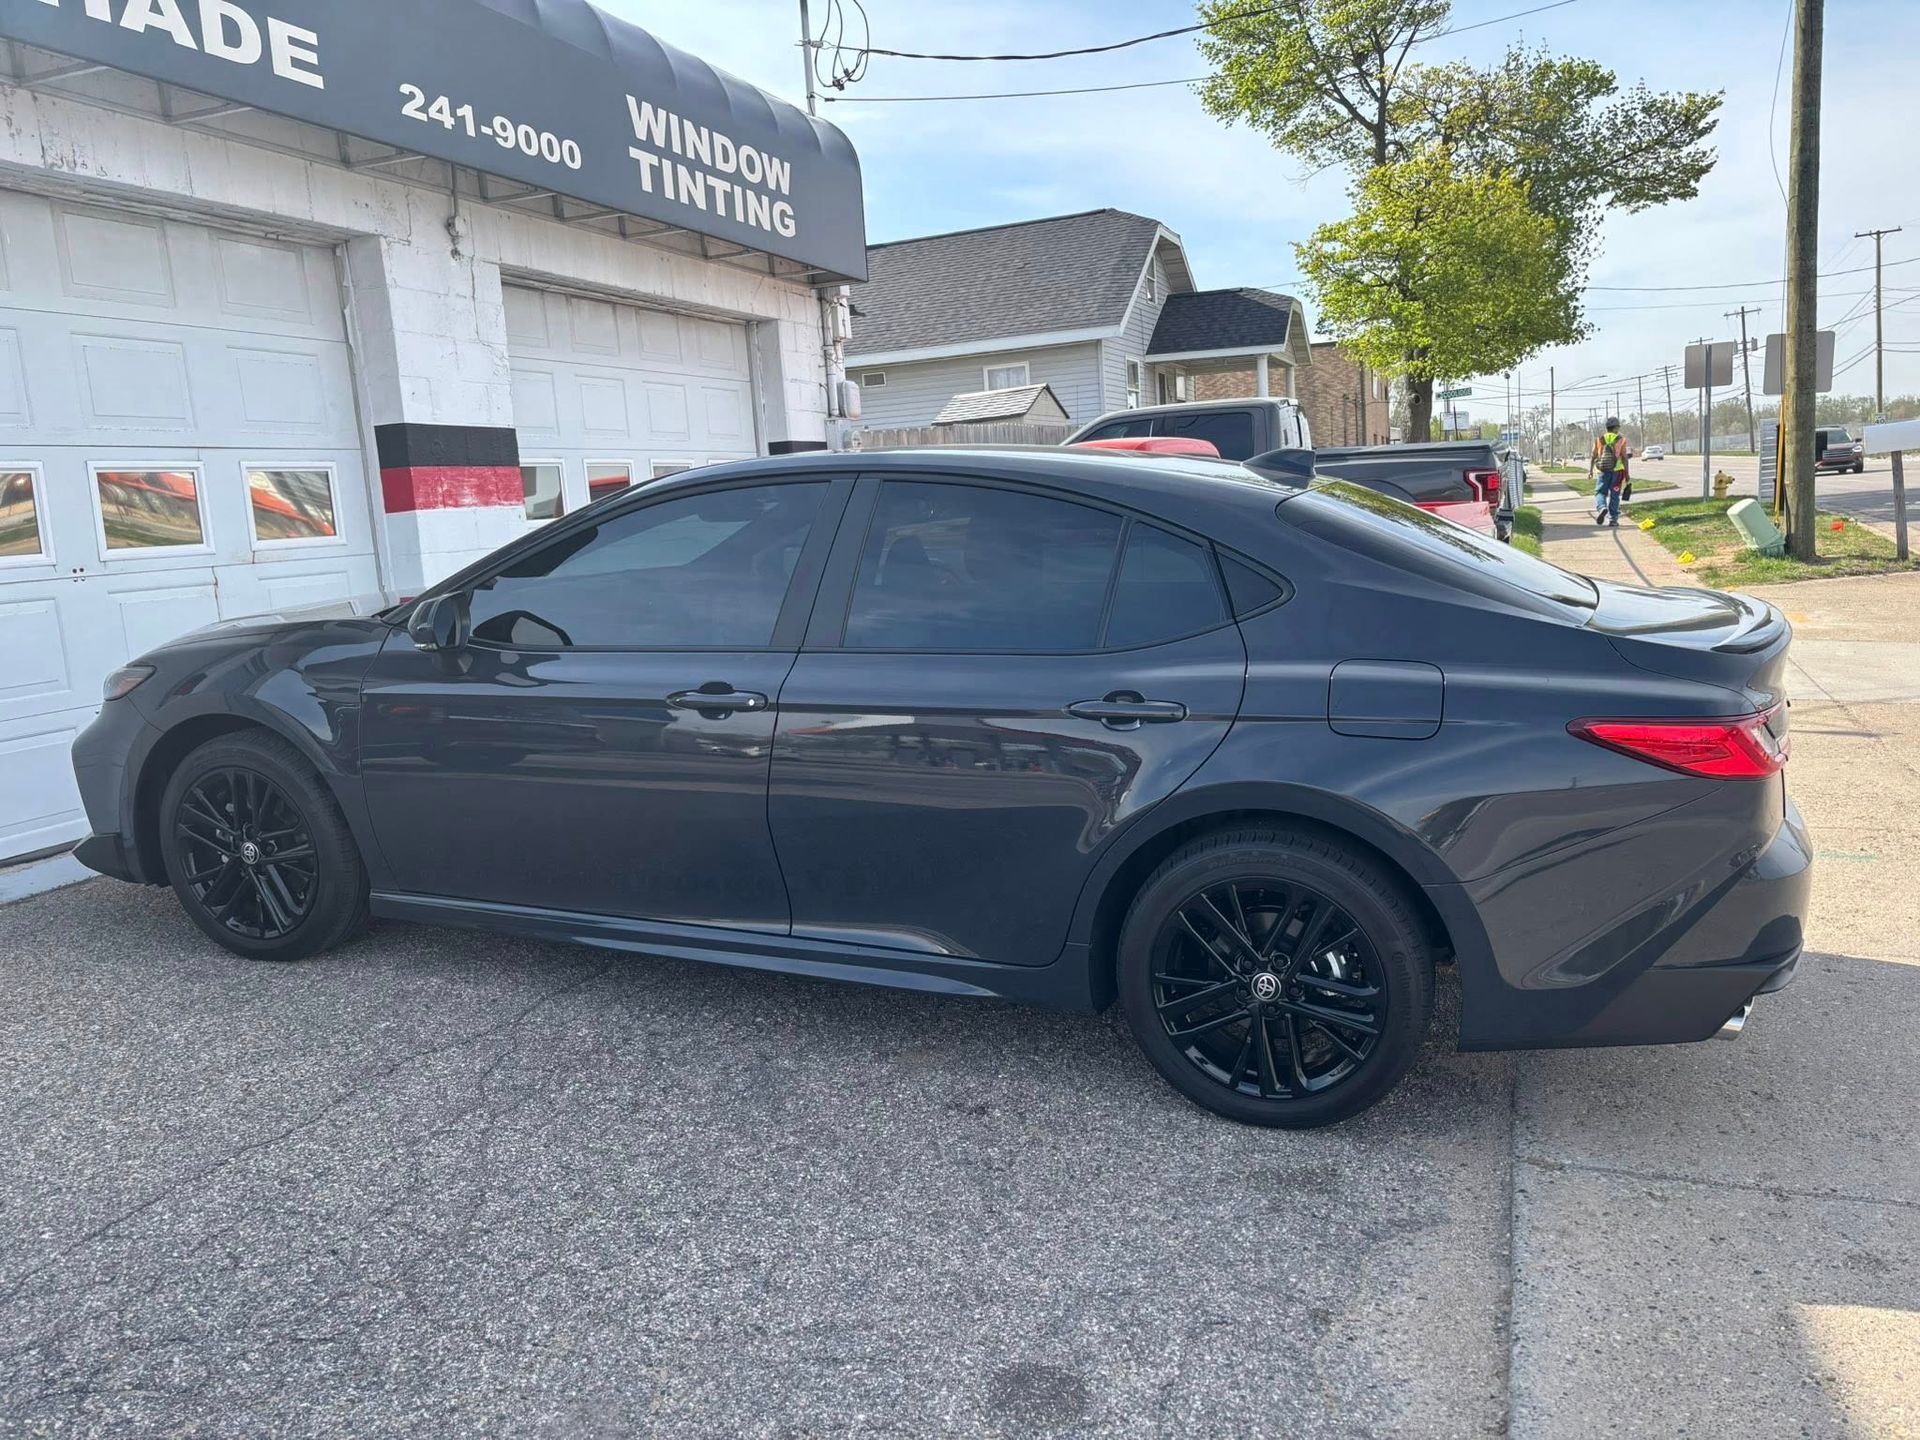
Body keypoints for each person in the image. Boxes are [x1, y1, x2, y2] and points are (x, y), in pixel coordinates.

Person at [1588, 418, 1631, 527]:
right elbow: (1624, 457)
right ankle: (1613, 520)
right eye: (1618, 427)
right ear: (1616, 428)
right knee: (1615, 495)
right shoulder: (1621, 440)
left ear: (1607, 428)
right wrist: (1627, 474)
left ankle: (1602, 507)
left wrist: (1590, 470)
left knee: (1600, 492)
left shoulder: (1599, 439)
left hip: (1603, 471)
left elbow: (1593, 456)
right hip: (1617, 472)